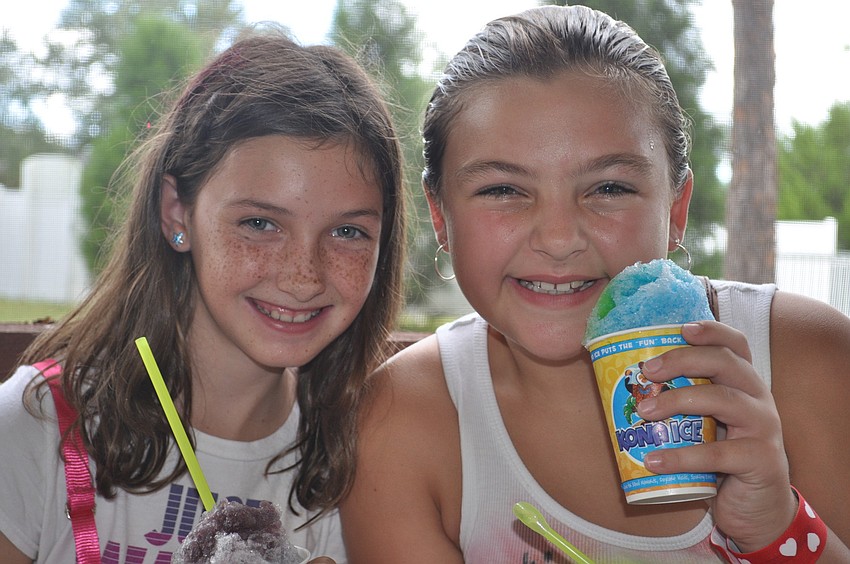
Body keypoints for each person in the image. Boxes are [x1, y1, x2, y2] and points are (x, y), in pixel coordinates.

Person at [340, 5, 850, 563]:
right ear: (440, 217)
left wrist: (779, 530)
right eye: (502, 190)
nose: (559, 238)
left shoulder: (805, 363)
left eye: (608, 187)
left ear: (675, 208)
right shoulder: (403, 421)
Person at [0, 26, 406, 564]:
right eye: (260, 223)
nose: (304, 276)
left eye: (348, 232)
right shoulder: (41, 428)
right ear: (177, 213)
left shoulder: (362, 465)